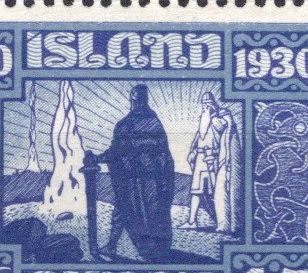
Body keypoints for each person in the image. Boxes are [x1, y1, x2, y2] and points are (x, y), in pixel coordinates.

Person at [95, 83, 177, 263]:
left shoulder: (126, 124)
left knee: (123, 209)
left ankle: (115, 246)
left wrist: (97, 159)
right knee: (138, 211)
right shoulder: (155, 122)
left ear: (132, 98)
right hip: (153, 182)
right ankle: (116, 246)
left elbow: (116, 151)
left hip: (135, 181)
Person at [186, 90, 241, 236]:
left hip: (214, 159)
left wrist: (217, 117)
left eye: (207, 104)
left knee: (218, 191)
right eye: (203, 104)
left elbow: (226, 130)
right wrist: (192, 151)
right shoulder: (203, 120)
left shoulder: (220, 119)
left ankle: (222, 222)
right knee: (196, 190)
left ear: (212, 104)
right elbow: (199, 137)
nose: (205, 107)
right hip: (200, 158)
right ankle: (191, 221)